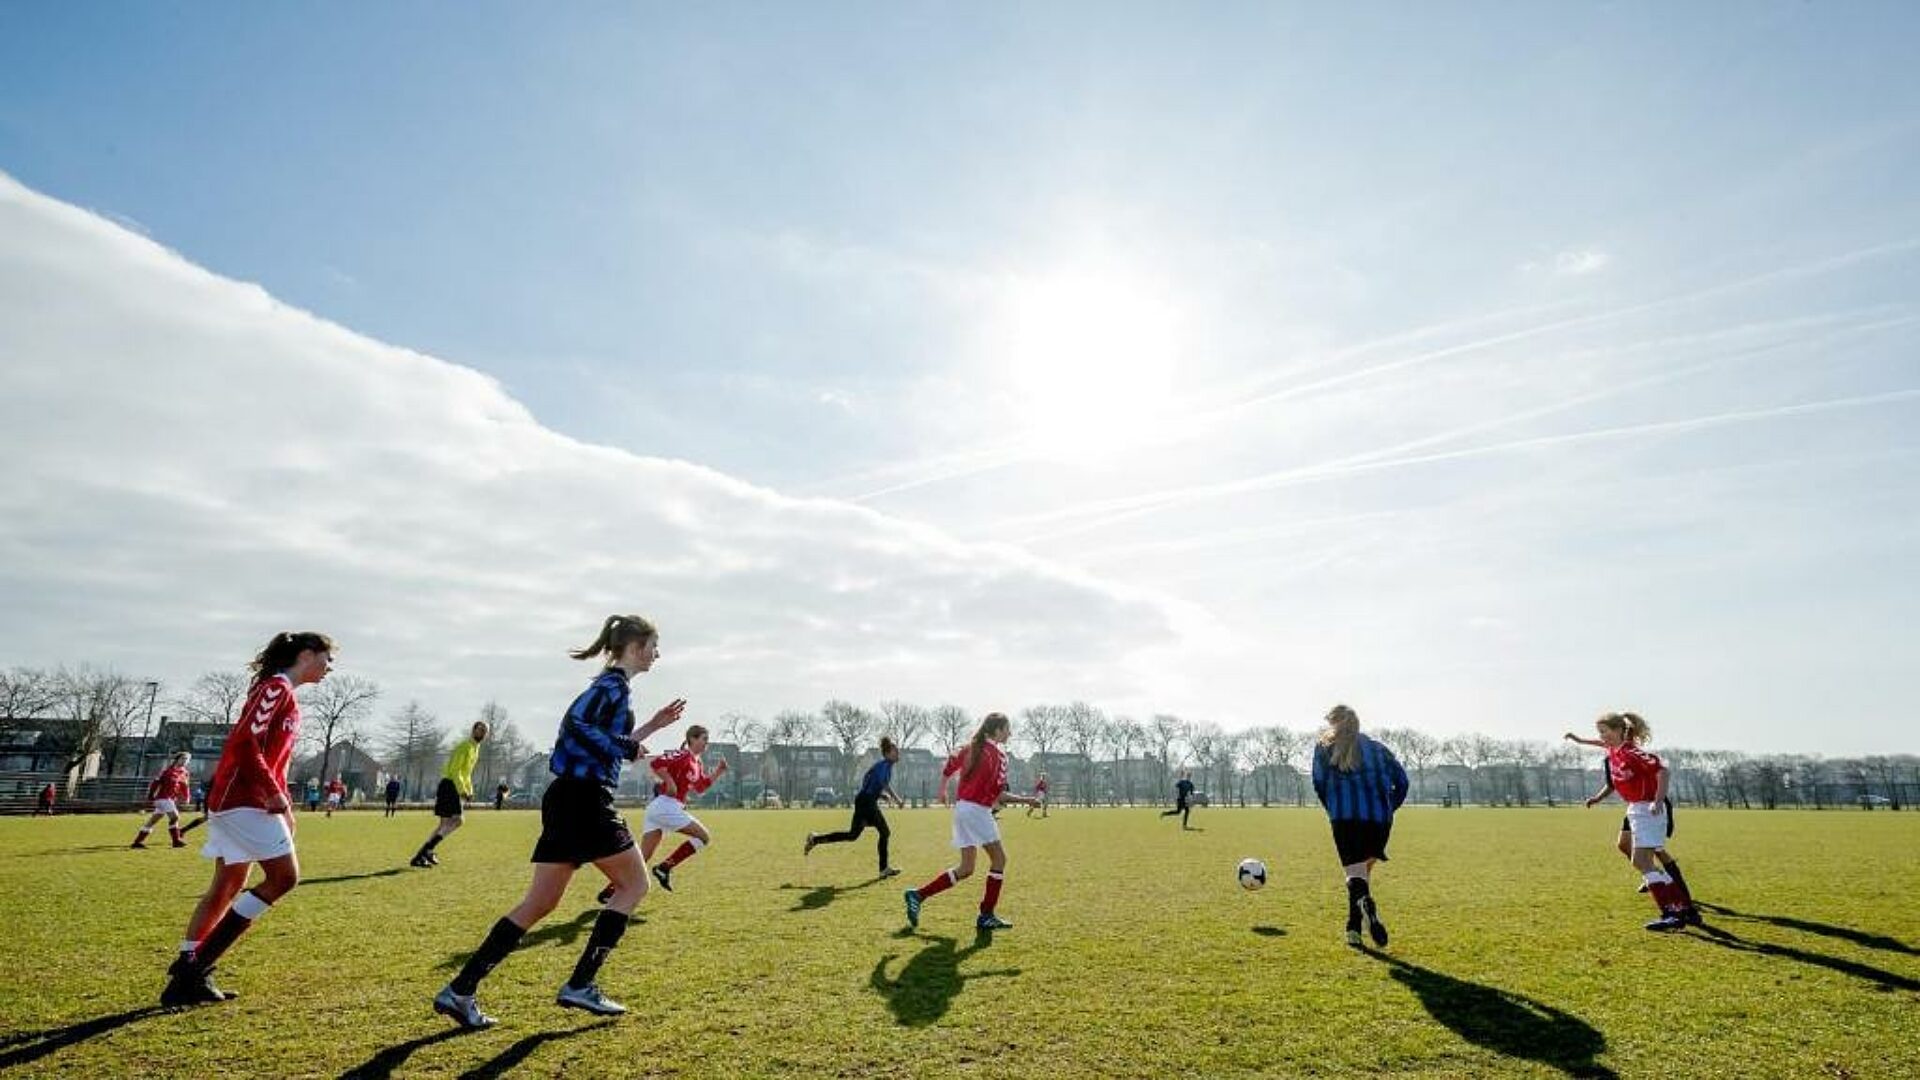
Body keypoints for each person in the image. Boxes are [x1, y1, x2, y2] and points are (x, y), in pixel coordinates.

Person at [434, 615, 685, 1029]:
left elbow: (605, 743)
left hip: (568, 797)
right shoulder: (611, 686)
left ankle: (460, 991)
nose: (657, 655)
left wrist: (649, 729)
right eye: (654, 646)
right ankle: (581, 984)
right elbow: (576, 725)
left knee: (541, 903)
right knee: (634, 885)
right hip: (586, 799)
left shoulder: (614, 688)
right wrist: (626, 746)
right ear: (636, 646)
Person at [160, 631, 333, 1006]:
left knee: (228, 884)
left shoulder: (284, 694)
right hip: (243, 800)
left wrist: (285, 802)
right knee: (284, 878)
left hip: (243, 800)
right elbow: (244, 742)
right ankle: (195, 971)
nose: (329, 666)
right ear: (307, 654)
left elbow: (274, 759)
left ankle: (188, 962)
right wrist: (270, 792)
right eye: (327, 658)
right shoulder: (276, 688)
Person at [903, 713, 1040, 932]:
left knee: (966, 868)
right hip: (977, 810)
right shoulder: (999, 756)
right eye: (1007, 729)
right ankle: (986, 915)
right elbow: (999, 795)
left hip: (962, 809)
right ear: (997, 730)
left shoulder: (970, 747)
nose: (1010, 733)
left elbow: (948, 768)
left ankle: (918, 895)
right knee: (999, 859)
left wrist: (942, 790)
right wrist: (1027, 800)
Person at [1566, 713, 1701, 931]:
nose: (1601, 737)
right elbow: (1598, 744)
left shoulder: (1632, 753)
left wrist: (1657, 801)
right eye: (1600, 732)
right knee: (1642, 861)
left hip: (1648, 809)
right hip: (1636, 809)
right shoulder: (1613, 749)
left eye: (1605, 731)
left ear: (1619, 730)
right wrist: (1579, 740)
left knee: (1643, 860)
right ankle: (1681, 909)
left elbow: (1663, 772)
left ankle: (1673, 912)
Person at [1311, 705, 1409, 948]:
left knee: (1355, 875)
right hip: (1379, 822)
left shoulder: (1324, 748)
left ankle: (1364, 908)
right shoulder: (1379, 749)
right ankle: (1353, 929)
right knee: (1361, 875)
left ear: (1334, 723)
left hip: (1345, 819)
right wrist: (1389, 807)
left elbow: (1319, 784)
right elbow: (1403, 782)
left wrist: (1333, 810)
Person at [635, 724, 728, 895]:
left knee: (642, 858)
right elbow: (656, 763)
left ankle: (608, 893)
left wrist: (719, 771)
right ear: (692, 739)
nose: (707, 743)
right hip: (667, 806)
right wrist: (669, 782)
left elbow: (700, 787)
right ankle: (664, 868)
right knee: (703, 837)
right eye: (704, 739)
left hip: (661, 808)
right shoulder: (683, 754)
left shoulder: (696, 762)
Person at [805, 737, 905, 877]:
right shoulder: (883, 766)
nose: (898, 754)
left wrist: (881, 795)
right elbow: (883, 784)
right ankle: (883, 869)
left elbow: (868, 783)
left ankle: (815, 839)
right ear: (888, 754)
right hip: (867, 803)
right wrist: (897, 799)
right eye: (895, 752)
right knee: (885, 832)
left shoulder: (883, 766)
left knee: (852, 835)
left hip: (864, 801)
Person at [412, 722, 489, 868]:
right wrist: (462, 790)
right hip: (449, 785)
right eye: (480, 730)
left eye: (485, 731)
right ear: (473, 730)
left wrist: (470, 790)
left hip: (452, 785)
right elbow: (455, 770)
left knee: (444, 824)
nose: (482, 733)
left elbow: (467, 773)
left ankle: (420, 856)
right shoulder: (464, 746)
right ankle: (427, 851)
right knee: (458, 820)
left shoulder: (475, 749)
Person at [133, 752, 193, 849]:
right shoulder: (167, 771)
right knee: (175, 817)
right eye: (182, 759)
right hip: (162, 798)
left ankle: (137, 842)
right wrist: (150, 796)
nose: (184, 761)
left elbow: (185, 786)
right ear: (176, 759)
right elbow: (155, 783)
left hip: (170, 800)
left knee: (153, 821)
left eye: (187, 760)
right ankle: (176, 840)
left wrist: (187, 797)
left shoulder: (184, 772)